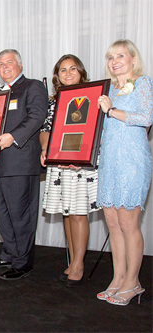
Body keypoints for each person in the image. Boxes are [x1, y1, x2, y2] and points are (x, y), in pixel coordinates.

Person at [0, 49, 48, 280]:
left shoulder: (33, 87)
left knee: (21, 215)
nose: (4, 67)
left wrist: (13, 136)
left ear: (20, 65)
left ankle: (23, 262)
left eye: (9, 62)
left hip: (20, 163)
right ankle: (9, 253)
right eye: (0, 63)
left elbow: (37, 117)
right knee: (3, 213)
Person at [96, 39, 152, 306]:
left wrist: (112, 110)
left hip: (132, 160)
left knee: (129, 224)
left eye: (120, 55)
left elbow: (146, 118)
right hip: (109, 161)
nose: (114, 61)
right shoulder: (109, 89)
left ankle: (134, 282)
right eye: (110, 57)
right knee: (113, 223)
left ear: (132, 59)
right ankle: (118, 278)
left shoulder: (143, 83)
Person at [40, 55, 100, 287]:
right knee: (66, 212)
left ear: (81, 72)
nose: (67, 73)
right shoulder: (55, 101)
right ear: (57, 75)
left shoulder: (93, 96)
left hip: (80, 163)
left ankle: (79, 264)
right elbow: (46, 129)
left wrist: (81, 155)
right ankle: (74, 259)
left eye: (72, 69)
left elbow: (96, 129)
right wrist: (45, 148)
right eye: (62, 70)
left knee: (77, 213)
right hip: (59, 162)